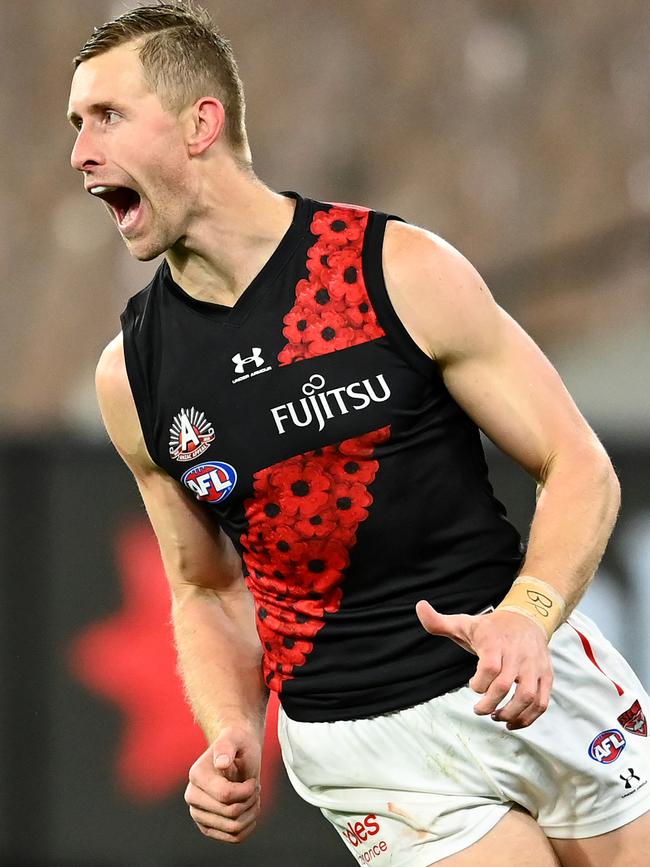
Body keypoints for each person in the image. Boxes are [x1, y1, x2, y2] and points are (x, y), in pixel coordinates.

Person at [68, 4, 650, 865]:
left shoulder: (394, 268)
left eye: (106, 117)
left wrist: (527, 618)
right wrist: (231, 726)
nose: (80, 152)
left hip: (531, 678)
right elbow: (205, 586)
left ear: (200, 124)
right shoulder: (135, 375)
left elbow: (578, 467)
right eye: (75, 125)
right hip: (367, 746)